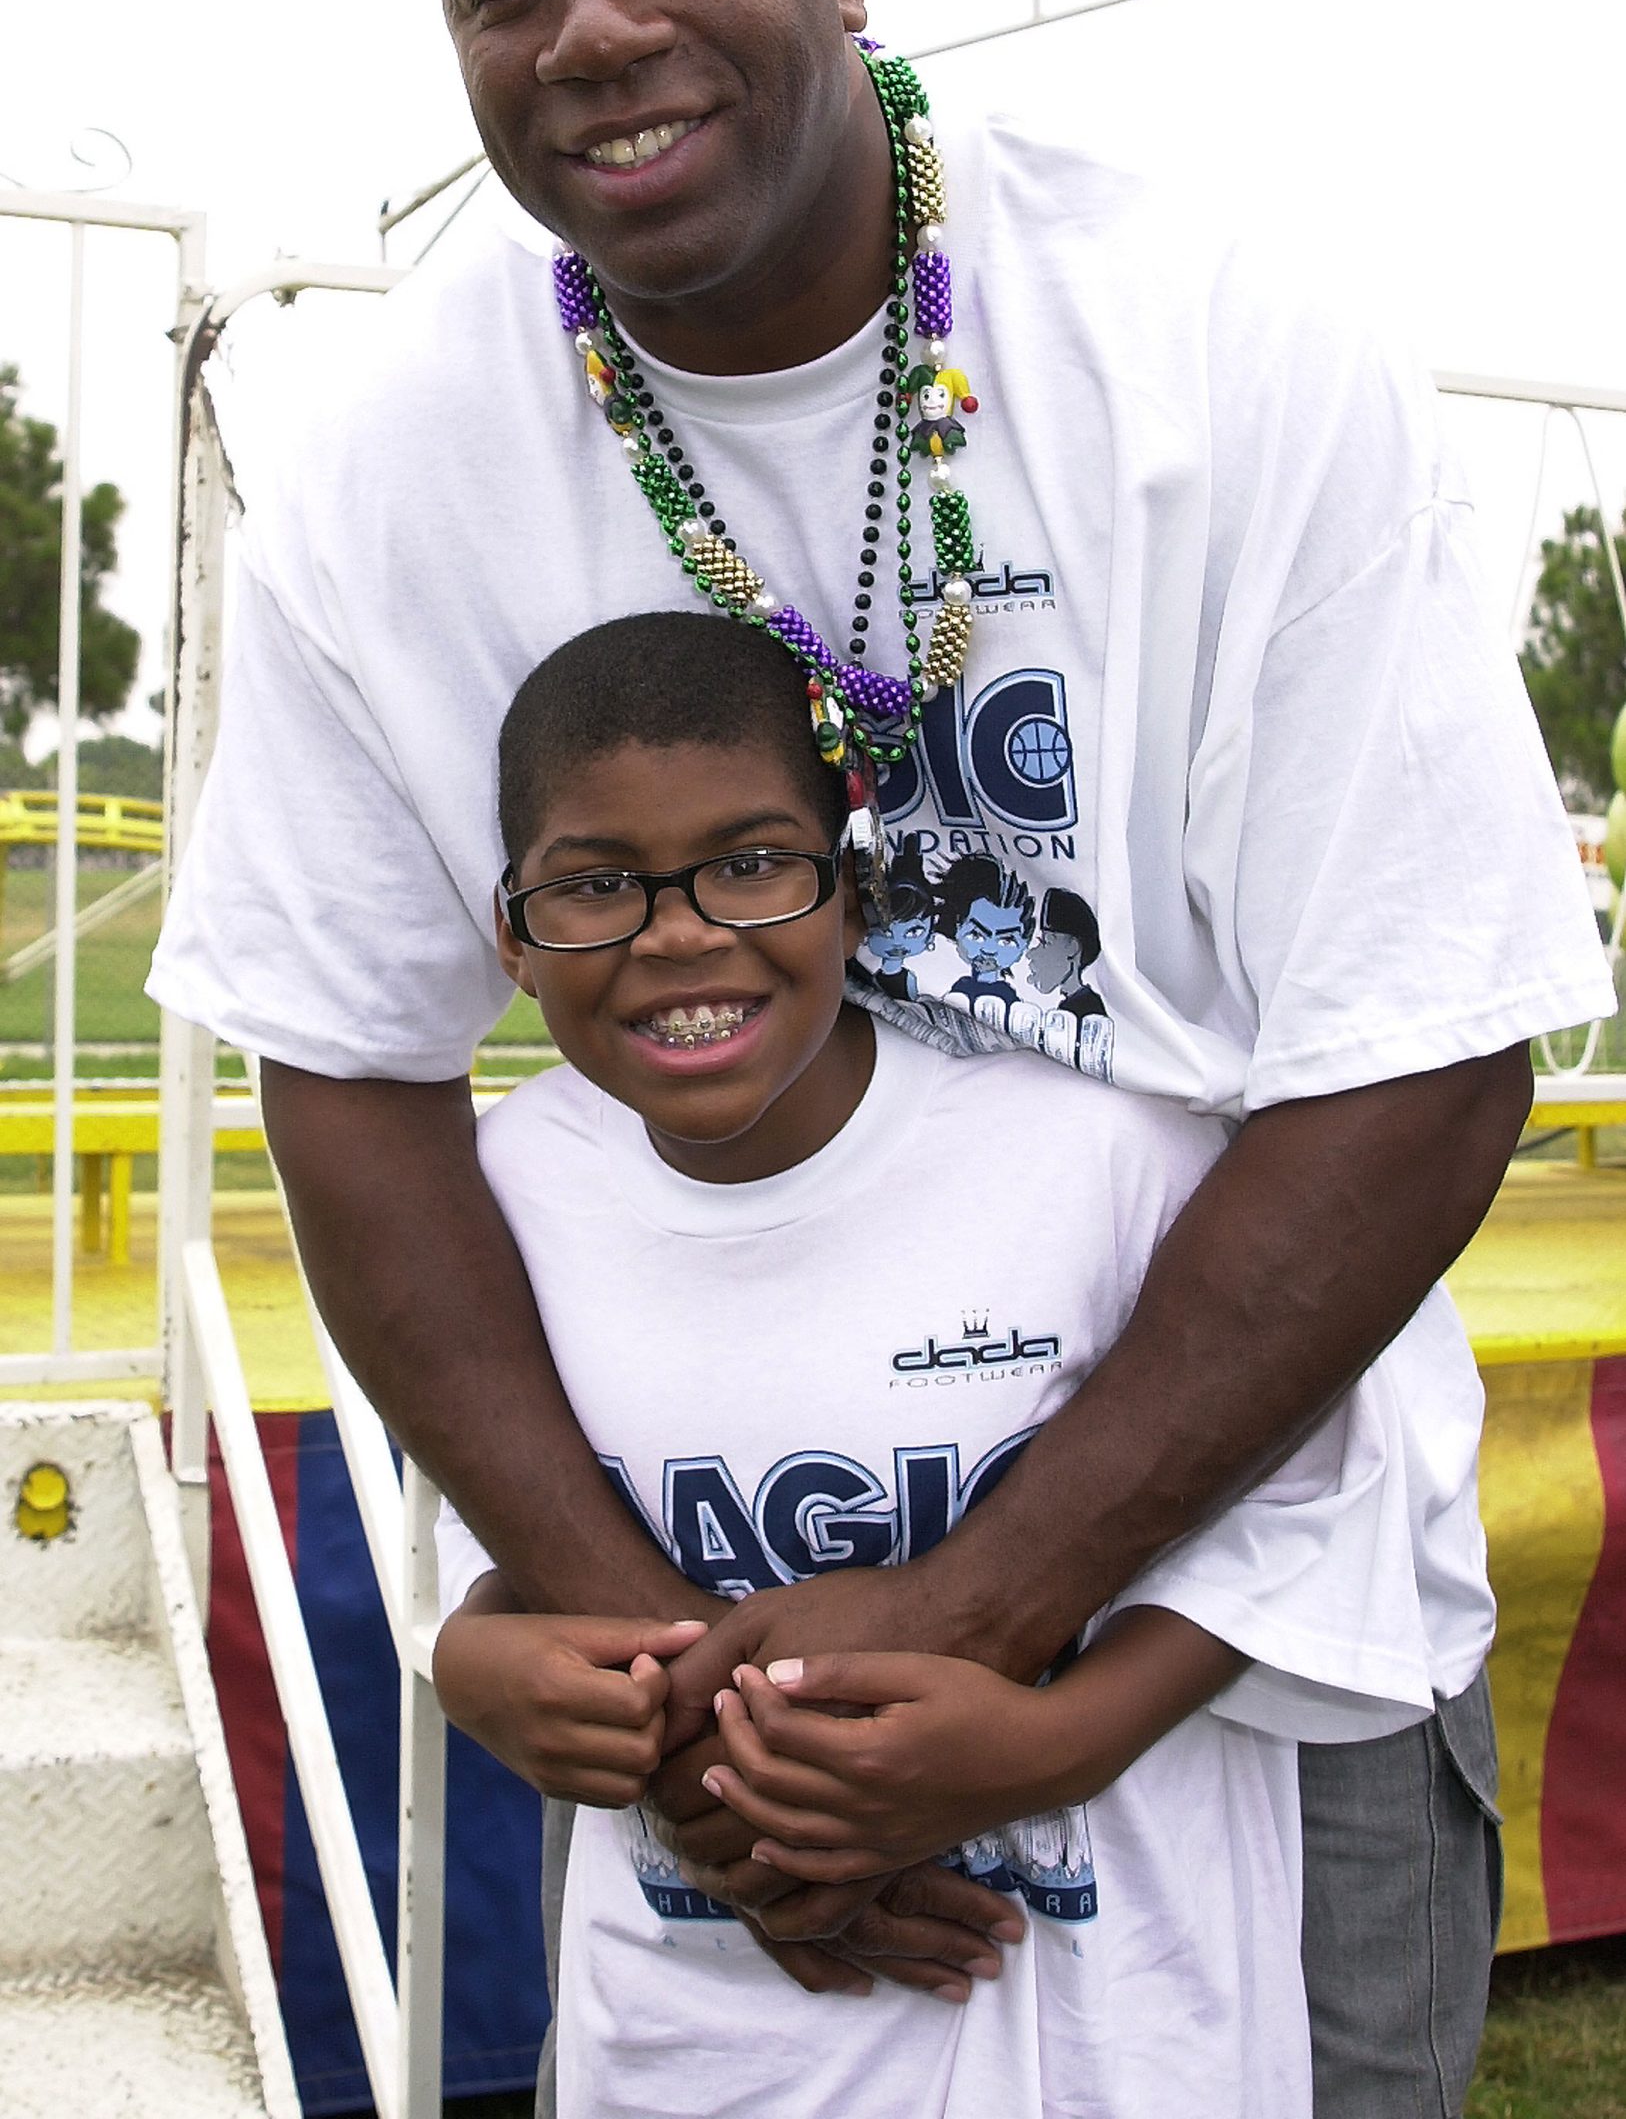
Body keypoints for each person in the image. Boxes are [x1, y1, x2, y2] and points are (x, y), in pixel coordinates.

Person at [147, 0, 1613, 2106]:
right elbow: (355, 1071)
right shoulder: (396, 469)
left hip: (1251, 1614)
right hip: (739, 1634)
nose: (595, 30)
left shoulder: (1211, 345)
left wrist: (986, 1620)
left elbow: (1424, 1039)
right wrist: (718, 1716)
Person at [430, 609, 1495, 2118]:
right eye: (597, 886)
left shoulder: (1095, 1156)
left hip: (1093, 2011)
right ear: (511, 937)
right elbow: (506, 1548)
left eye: (748, 864)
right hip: (705, 2026)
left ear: (856, 892)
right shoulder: (510, 1190)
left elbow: (1313, 1514)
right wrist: (471, 1659)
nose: (678, 933)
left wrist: (1060, 1739)